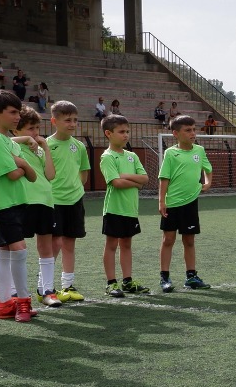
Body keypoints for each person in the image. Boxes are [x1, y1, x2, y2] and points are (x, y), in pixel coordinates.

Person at [0, 89, 40, 321]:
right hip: (4, 204)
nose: (18, 117)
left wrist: (22, 161)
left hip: (16, 202)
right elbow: (15, 174)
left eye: (18, 112)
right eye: (12, 112)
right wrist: (23, 165)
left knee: (5, 252)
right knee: (19, 249)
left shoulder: (6, 142)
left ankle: (4, 303)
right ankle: (22, 302)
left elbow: (32, 176)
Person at [157, 114, 213, 291]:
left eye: (194, 130)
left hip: (191, 203)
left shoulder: (199, 150)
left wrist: (207, 182)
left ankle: (191, 276)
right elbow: (164, 179)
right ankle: (164, 278)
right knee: (168, 239)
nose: (192, 133)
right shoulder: (171, 153)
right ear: (176, 133)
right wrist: (161, 201)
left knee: (189, 240)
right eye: (188, 130)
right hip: (172, 203)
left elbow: (208, 169)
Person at [99, 114, 148, 297]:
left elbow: (145, 178)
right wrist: (135, 182)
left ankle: (127, 281)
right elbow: (116, 183)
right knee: (111, 245)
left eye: (127, 131)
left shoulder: (132, 156)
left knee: (127, 244)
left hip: (130, 209)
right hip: (114, 209)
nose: (126, 135)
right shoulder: (107, 156)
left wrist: (126, 176)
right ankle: (111, 283)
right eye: (121, 132)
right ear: (108, 133)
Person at [47, 101, 91, 301]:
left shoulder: (79, 146)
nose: (73, 124)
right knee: (54, 244)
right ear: (54, 121)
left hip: (75, 200)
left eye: (75, 120)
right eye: (67, 120)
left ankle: (68, 286)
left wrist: (76, 189)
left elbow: (84, 174)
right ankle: (46, 287)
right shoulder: (46, 145)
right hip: (53, 200)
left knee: (69, 243)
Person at [16, 107, 59, 307]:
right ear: (16, 130)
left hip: (45, 200)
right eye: (30, 128)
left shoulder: (40, 149)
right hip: (24, 201)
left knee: (46, 246)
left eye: (36, 128)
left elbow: (50, 175)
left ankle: (47, 290)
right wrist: (25, 139)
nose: (35, 133)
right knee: (17, 247)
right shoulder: (12, 146)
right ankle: (15, 292)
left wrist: (46, 149)